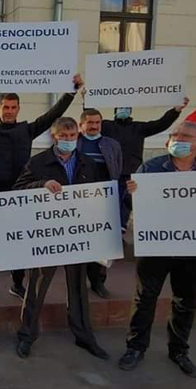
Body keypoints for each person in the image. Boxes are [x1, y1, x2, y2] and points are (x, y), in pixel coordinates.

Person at [0, 72, 84, 303]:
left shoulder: (27, 130)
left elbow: (52, 115)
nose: (9, 111)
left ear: (18, 109)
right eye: (6, 107)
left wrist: (71, 93)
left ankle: (17, 284)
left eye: (13, 107)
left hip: (20, 193)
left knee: (19, 240)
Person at [118, 121, 196, 379]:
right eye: (175, 135)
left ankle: (179, 351)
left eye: (186, 136)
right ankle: (135, 348)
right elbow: (130, 202)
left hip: (193, 248)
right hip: (156, 246)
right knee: (145, 298)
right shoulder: (150, 168)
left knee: (186, 302)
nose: (179, 139)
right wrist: (131, 193)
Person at [13, 116, 108, 361]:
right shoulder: (38, 162)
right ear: (53, 137)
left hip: (77, 235)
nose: (68, 140)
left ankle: (84, 336)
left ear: (78, 136)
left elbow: (98, 196)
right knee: (37, 286)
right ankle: (26, 336)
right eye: (63, 136)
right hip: (48, 235)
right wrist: (42, 184)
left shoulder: (87, 163)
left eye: (72, 136)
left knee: (78, 288)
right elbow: (18, 190)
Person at [101, 99, 189, 230]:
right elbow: (91, 119)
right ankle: (107, 227)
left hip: (131, 171)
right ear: (115, 110)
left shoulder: (139, 128)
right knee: (109, 202)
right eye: (120, 107)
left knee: (127, 200)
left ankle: (121, 227)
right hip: (110, 171)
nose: (123, 110)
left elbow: (160, 124)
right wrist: (87, 101)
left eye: (126, 108)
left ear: (130, 111)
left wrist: (175, 111)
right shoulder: (106, 126)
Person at [77, 108, 123, 299]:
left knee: (102, 244)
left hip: (104, 201)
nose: (94, 126)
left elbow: (117, 171)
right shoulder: (74, 142)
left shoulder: (112, 145)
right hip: (78, 201)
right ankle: (77, 283)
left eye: (97, 122)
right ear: (81, 125)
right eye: (90, 122)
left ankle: (98, 282)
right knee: (79, 242)